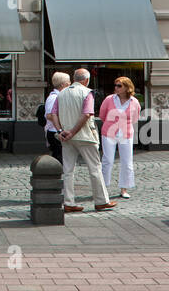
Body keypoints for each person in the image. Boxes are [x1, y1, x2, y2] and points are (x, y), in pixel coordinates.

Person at [50, 67, 116, 213]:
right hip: (86, 136)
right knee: (95, 169)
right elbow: (86, 114)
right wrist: (73, 131)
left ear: (74, 78)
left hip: (66, 137)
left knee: (68, 170)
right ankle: (101, 201)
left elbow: (53, 114)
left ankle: (69, 202)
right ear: (86, 80)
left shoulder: (61, 94)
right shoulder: (87, 92)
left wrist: (60, 131)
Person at [100, 75, 141, 199]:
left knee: (127, 162)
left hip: (126, 133)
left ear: (127, 88)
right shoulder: (109, 99)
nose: (116, 88)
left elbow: (135, 118)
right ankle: (103, 188)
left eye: (119, 85)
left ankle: (124, 188)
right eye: (115, 85)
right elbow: (102, 115)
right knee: (107, 160)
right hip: (109, 133)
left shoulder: (134, 102)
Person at [43, 72, 70, 162]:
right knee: (59, 157)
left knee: (61, 156)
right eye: (68, 82)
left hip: (58, 132)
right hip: (55, 132)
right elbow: (49, 115)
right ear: (63, 84)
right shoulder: (54, 97)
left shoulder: (61, 96)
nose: (70, 84)